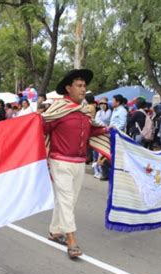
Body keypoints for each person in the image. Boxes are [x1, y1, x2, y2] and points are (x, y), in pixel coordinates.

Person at [41, 69, 106, 259]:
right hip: (59, 161)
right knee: (67, 199)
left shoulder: (85, 111)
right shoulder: (57, 109)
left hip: (79, 162)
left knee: (68, 200)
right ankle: (71, 240)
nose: (83, 89)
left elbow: (90, 132)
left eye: (84, 86)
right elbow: (42, 127)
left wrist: (106, 130)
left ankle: (55, 231)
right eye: (79, 86)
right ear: (68, 88)